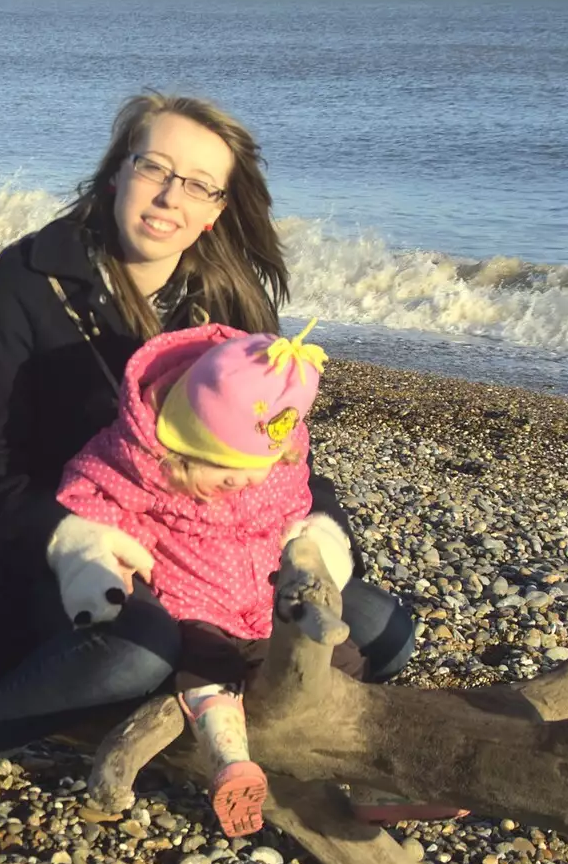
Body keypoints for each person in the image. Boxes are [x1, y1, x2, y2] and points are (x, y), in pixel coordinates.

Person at [0, 92, 418, 830]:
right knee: (137, 649)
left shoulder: (233, 301)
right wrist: (74, 545)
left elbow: (281, 450)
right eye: (154, 167)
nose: (171, 195)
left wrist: (317, 534)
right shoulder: (26, 284)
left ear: (218, 209)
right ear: (116, 172)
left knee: (384, 632)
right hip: (65, 545)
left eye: (198, 184)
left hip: (220, 548)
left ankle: (286, 752)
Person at [54, 319, 355, 837]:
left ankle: (367, 778)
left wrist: (313, 547)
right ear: (182, 445)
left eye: (253, 467)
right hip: (192, 603)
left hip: (262, 601)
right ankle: (230, 762)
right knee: (206, 666)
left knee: (341, 661)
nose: (241, 480)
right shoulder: (141, 466)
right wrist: (108, 554)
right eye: (222, 469)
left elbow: (298, 506)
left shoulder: (276, 462)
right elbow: (85, 497)